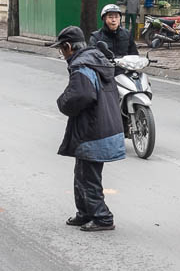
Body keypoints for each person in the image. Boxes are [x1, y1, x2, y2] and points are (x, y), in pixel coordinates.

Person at [48, 25, 125, 232]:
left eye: (61, 49)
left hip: (94, 130)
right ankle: (84, 213)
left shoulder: (82, 66)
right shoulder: (96, 60)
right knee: (82, 173)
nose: (62, 54)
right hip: (102, 126)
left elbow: (80, 95)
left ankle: (102, 217)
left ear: (68, 47)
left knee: (88, 177)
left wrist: (62, 101)